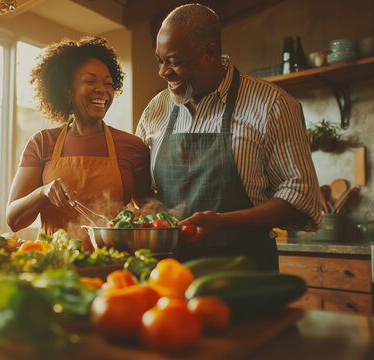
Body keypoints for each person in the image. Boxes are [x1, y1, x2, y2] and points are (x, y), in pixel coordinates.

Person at [135, 4, 321, 270]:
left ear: (210, 53)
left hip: (246, 273)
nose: (163, 72)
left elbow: (300, 196)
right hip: (168, 272)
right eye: (160, 61)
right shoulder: (157, 108)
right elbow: (143, 189)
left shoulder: (273, 104)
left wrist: (222, 221)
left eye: (174, 61)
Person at [6, 36, 151, 245]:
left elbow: (149, 214)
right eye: (90, 81)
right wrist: (43, 192)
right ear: (67, 90)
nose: (102, 89)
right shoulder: (42, 143)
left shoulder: (132, 146)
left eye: (108, 83)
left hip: (111, 263)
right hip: (52, 264)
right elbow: (13, 220)